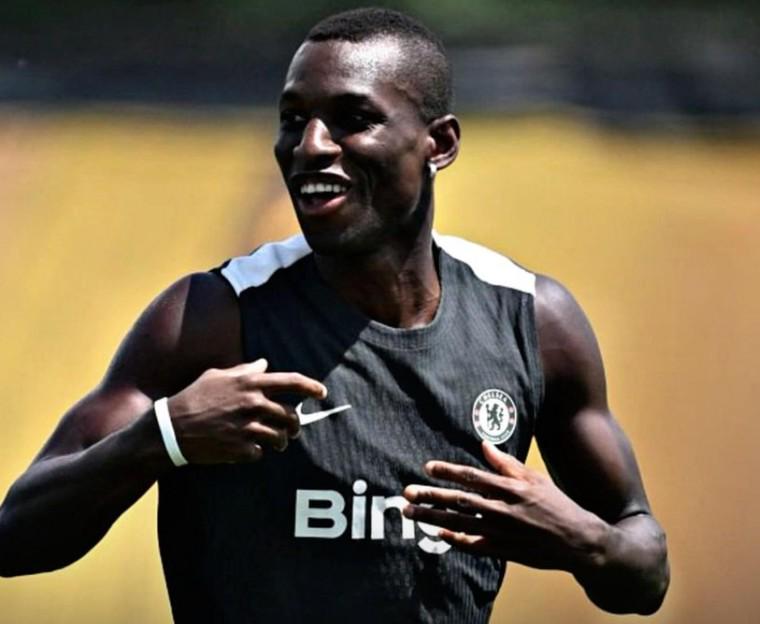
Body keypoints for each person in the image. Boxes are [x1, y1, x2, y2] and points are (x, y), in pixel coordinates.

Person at [0, 8, 669, 622]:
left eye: (352, 118)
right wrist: (165, 436)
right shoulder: (210, 318)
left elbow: (644, 575)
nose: (310, 145)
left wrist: (581, 540)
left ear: (438, 144)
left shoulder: (534, 322)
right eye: (293, 119)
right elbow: (15, 538)